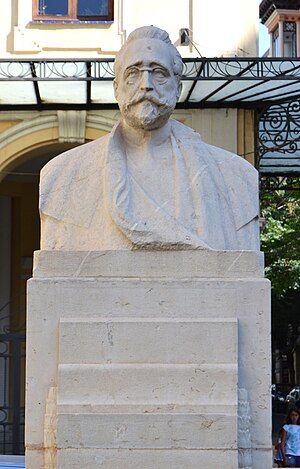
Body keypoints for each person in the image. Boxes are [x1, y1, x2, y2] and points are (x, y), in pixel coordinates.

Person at [40, 26, 259, 251]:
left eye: (159, 73)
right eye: (133, 73)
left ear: (178, 88)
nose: (146, 84)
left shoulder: (235, 177)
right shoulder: (63, 176)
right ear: (117, 89)